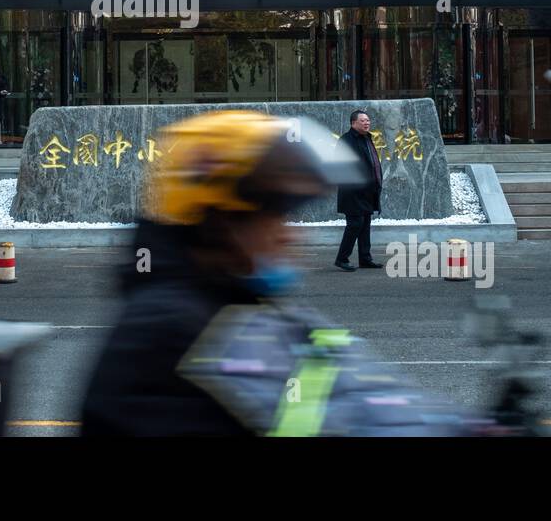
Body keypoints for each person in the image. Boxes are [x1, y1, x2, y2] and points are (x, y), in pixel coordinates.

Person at [80, 110, 483, 437]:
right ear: (216, 224)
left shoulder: (246, 308)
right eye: (274, 216)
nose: (290, 237)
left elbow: (356, 390)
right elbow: (326, 418)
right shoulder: (177, 327)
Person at [335, 109, 384, 271]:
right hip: (353, 192)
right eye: (363, 120)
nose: (367, 123)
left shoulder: (367, 138)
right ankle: (342, 258)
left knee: (365, 225)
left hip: (368, 192)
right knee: (355, 224)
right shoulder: (347, 140)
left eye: (368, 120)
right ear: (353, 123)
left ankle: (365, 258)